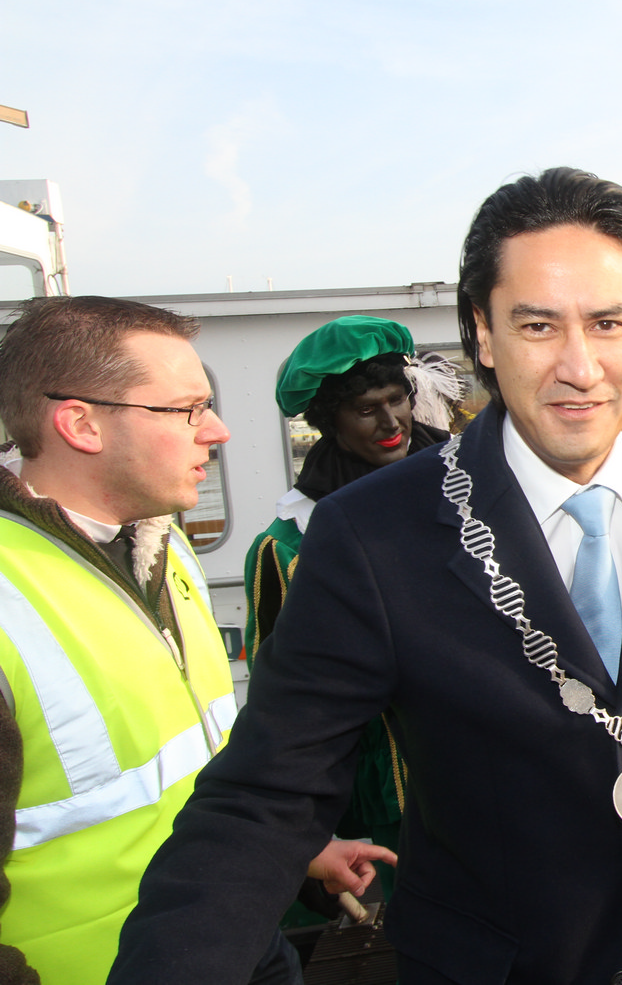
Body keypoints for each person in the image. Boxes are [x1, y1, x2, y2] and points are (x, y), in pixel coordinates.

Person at [108, 167, 622, 985]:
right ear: (483, 336)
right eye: (537, 326)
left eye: (606, 322)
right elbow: (265, 794)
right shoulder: (370, 534)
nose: (579, 366)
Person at [0, 296, 386, 985]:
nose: (219, 430)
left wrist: (289, 850)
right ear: (81, 424)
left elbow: (191, 755)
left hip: (237, 932)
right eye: (186, 409)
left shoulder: (163, 546)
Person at [245, 315, 454, 901]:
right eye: (365, 409)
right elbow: (281, 706)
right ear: (329, 423)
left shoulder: (478, 492)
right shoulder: (289, 547)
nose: (391, 423)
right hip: (391, 798)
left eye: (397, 400)